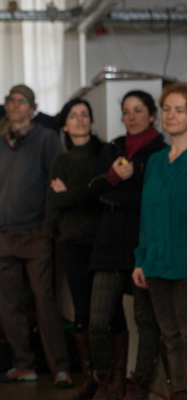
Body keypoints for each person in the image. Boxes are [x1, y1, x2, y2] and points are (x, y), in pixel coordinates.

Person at [0, 84, 72, 388]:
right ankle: (24, 364)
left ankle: (61, 368)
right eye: (11, 100)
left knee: (45, 302)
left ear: (32, 108)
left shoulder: (47, 139)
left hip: (34, 234)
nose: (15, 105)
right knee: (8, 305)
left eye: (22, 101)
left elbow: (56, 184)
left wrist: (47, 227)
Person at [87, 90, 166, 400]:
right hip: (108, 246)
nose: (132, 117)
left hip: (143, 246)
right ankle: (105, 381)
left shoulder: (162, 152)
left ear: (152, 115)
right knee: (97, 322)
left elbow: (154, 202)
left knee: (146, 321)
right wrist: (112, 178)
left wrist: (113, 197)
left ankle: (139, 383)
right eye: (126, 111)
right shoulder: (113, 149)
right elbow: (92, 191)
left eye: (138, 110)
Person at [48, 98, 110, 399]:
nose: (80, 120)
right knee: (82, 310)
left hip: (103, 242)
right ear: (64, 125)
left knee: (107, 313)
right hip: (72, 244)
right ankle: (92, 379)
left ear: (91, 120)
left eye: (85, 114)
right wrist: (84, 192)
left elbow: (99, 194)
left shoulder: (104, 153)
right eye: (73, 115)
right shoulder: (61, 160)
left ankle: (111, 381)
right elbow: (55, 202)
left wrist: (72, 193)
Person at [133, 82, 187, 400]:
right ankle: (180, 391)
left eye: (180, 110)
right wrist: (140, 259)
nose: (171, 115)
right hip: (155, 263)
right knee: (170, 336)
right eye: (167, 109)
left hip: (184, 262)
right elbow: (147, 214)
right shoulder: (155, 160)